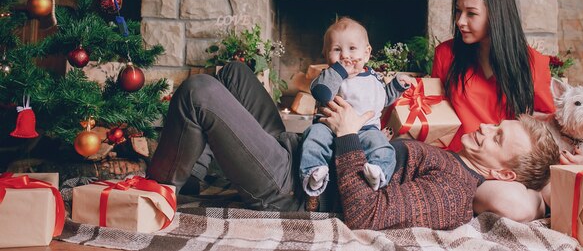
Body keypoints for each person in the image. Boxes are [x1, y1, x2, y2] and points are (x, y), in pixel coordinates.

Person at [147, 59, 560, 230]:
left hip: (294, 188)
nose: (486, 128)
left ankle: (153, 195)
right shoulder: (456, 158)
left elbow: (368, 214)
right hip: (299, 149)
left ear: (503, 173)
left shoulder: (454, 192)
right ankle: (194, 175)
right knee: (235, 72)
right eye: (495, 124)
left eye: (498, 136)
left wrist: (347, 133)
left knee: (200, 91)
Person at [430, 0, 557, 221]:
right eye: (458, 11)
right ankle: (534, 200)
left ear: (496, 15)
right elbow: (435, 115)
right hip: (464, 165)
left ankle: (536, 195)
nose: (460, 21)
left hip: (510, 168)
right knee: (517, 205)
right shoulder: (446, 54)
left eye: (471, 14)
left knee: (557, 190)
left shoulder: (532, 63)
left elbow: (544, 122)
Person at [301, 18, 410, 209]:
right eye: (336, 50)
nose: (345, 56)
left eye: (352, 49)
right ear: (326, 55)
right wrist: (340, 70)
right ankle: (314, 173)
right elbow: (322, 92)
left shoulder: (373, 78)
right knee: (313, 137)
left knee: (383, 147)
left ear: (366, 53)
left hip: (367, 129)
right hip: (328, 126)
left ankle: (377, 172)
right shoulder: (329, 76)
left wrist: (397, 86)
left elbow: (381, 99)